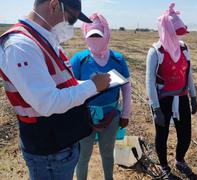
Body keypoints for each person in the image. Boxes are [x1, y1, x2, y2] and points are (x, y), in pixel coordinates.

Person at [0, 0, 111, 179]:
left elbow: (62, 84)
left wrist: (89, 84)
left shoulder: (45, 39)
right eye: (71, 18)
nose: (71, 26)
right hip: (48, 152)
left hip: (61, 142)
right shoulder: (20, 45)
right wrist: (92, 86)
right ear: (53, 5)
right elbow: (47, 102)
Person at [71, 13, 132, 180]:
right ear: (85, 35)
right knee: (83, 155)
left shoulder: (117, 59)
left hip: (111, 115)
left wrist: (125, 113)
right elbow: (70, 87)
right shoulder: (79, 60)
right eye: (92, 35)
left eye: (99, 34)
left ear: (106, 35)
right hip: (84, 117)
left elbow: (126, 88)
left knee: (107, 153)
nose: (95, 39)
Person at [146, 3, 197, 179]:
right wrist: (156, 108)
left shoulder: (184, 48)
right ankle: (163, 165)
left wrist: (193, 96)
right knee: (162, 134)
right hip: (163, 100)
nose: (177, 35)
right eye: (174, 31)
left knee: (186, 134)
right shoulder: (156, 52)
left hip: (182, 97)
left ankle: (180, 159)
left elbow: (188, 73)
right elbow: (150, 82)